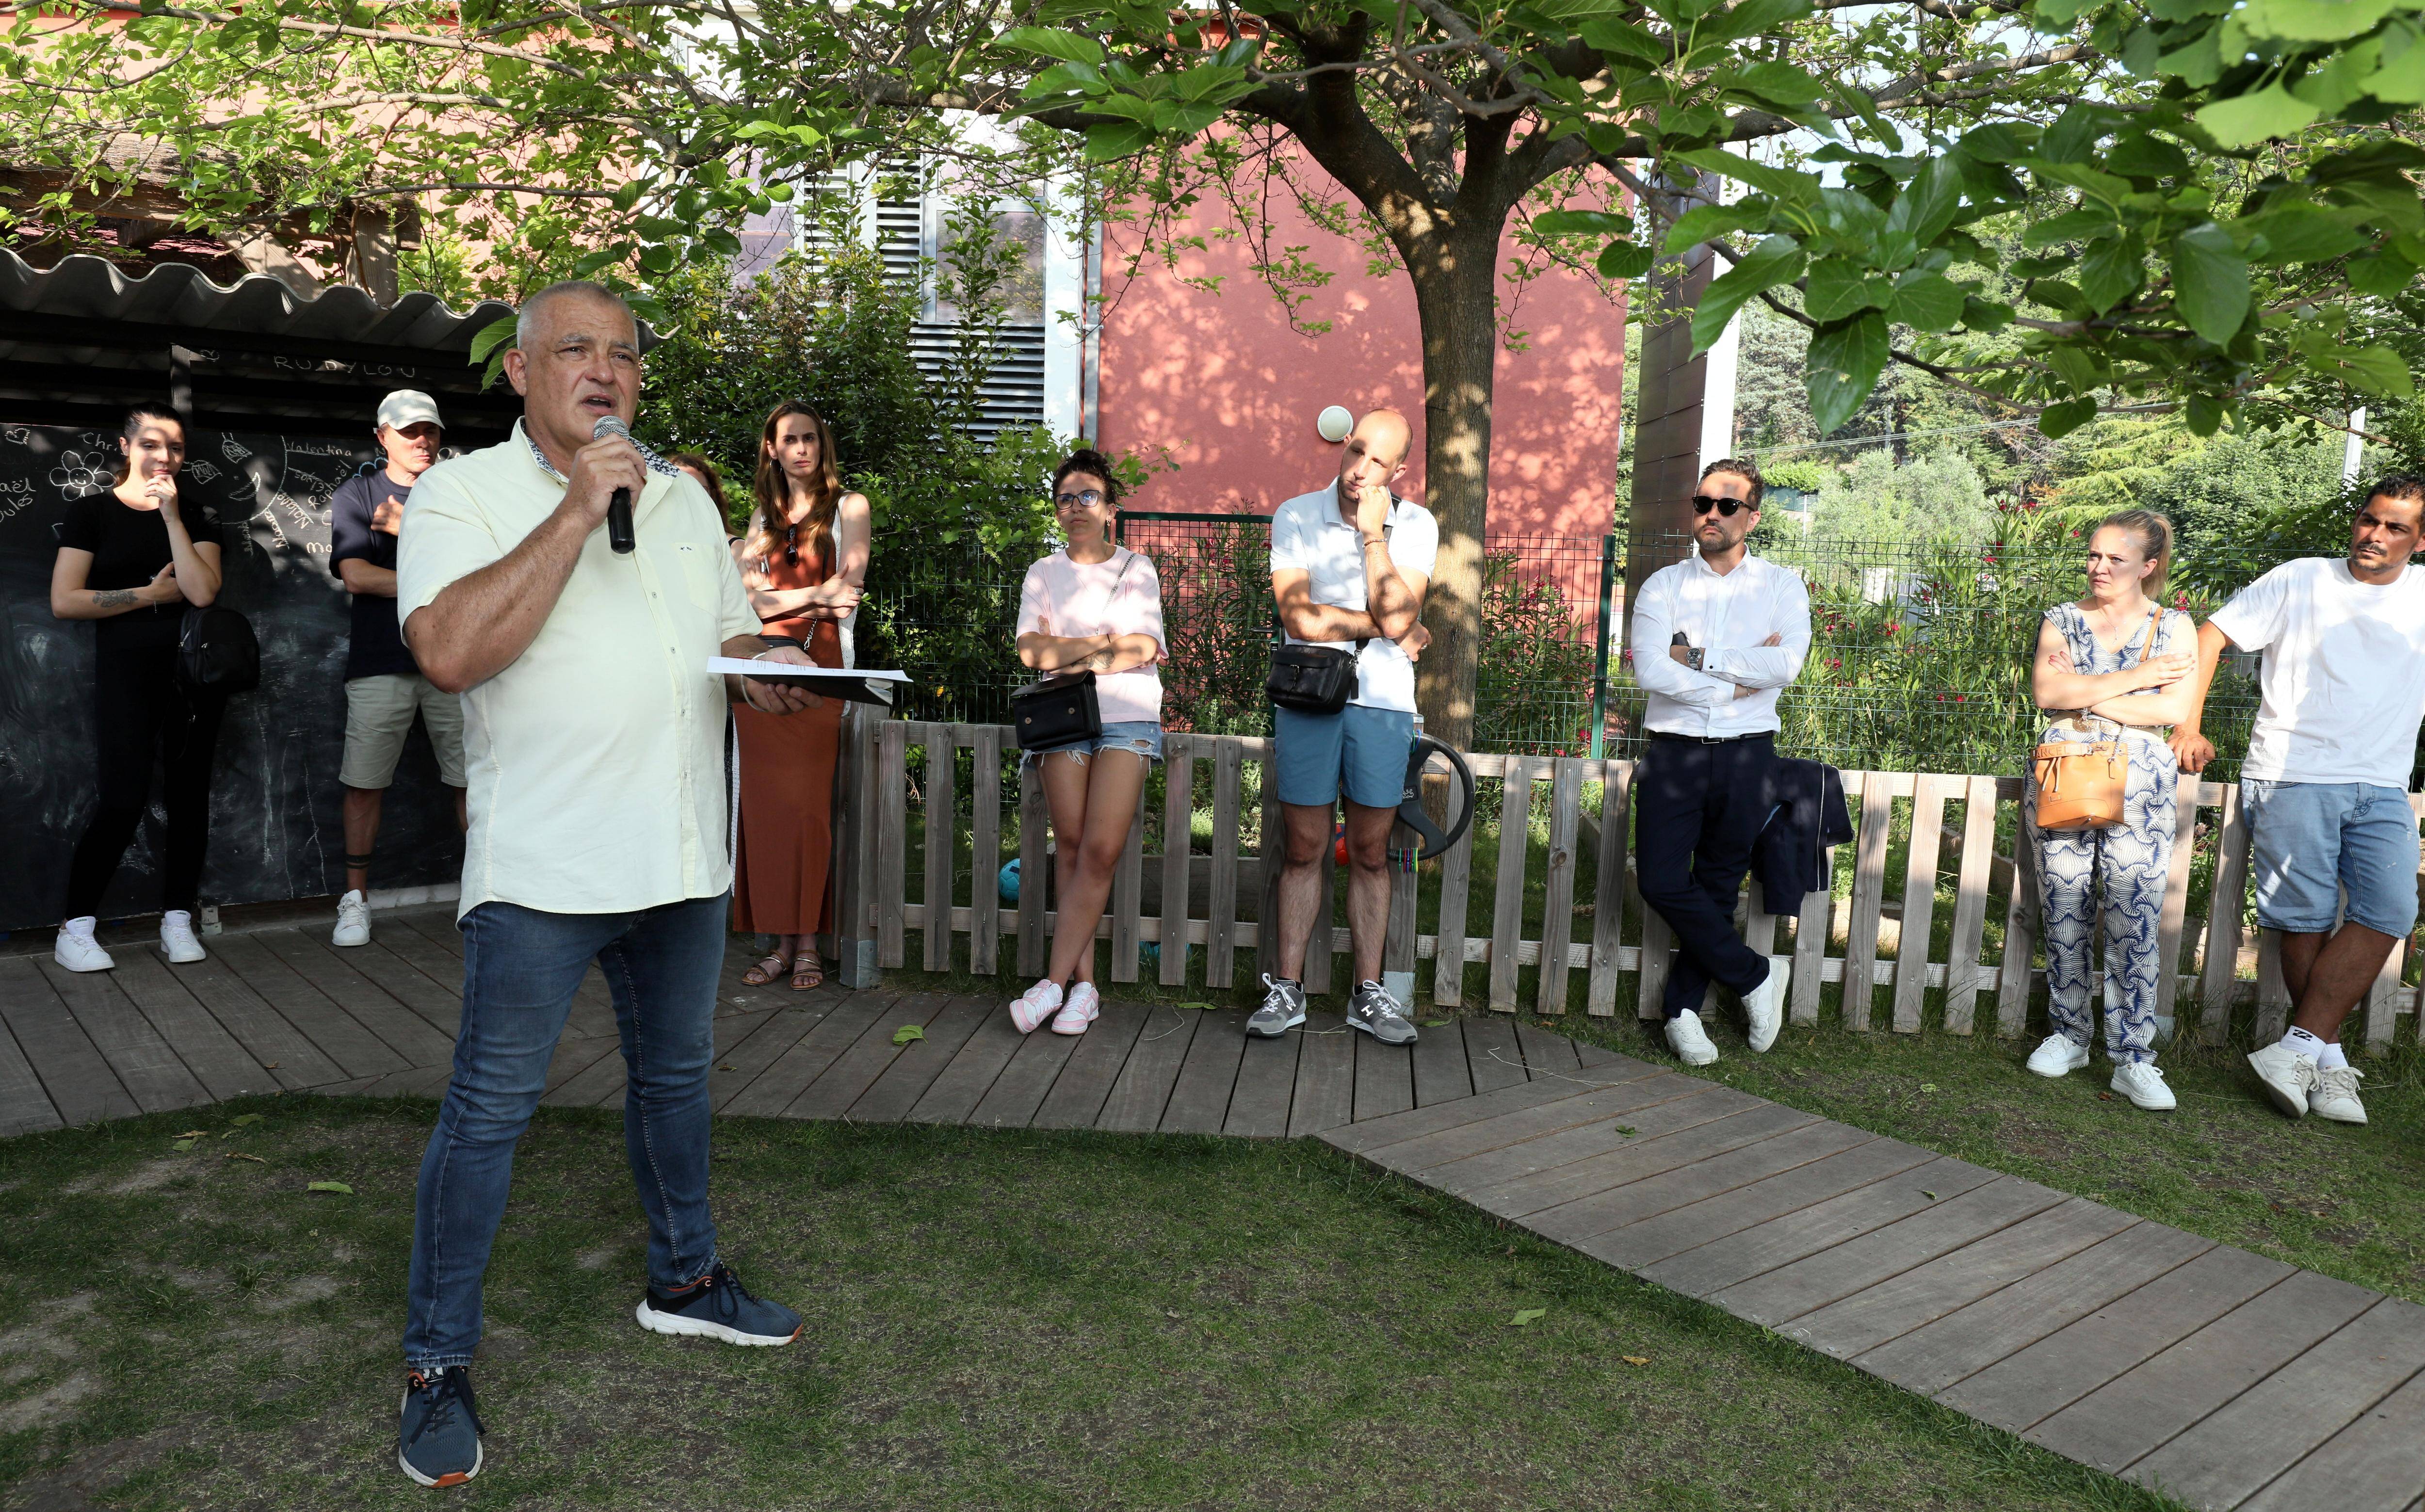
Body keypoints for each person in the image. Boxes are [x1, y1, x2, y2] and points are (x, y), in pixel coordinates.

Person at [390, 281, 823, 1488]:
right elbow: (447, 649)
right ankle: (435, 1359)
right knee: (488, 1112)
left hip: (679, 860)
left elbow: (724, 634)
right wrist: (579, 510)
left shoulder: (681, 499)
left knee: (677, 1082)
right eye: (574, 349)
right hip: (542, 867)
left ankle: (684, 1279)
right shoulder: (461, 492)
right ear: (521, 372)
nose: (605, 370)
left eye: (623, 354)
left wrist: (769, 665)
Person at [2172, 474, 2425, 1127]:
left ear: (2420, 539)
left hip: (2385, 782)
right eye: (2370, 520)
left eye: (2396, 527)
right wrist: (2187, 724)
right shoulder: (2301, 579)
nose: (2375, 535)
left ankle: (2298, 1047)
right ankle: (2328, 1062)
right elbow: (2211, 635)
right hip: (2293, 772)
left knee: (2393, 909)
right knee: (2306, 917)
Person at [1248, 409, 1436, 1046]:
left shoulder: (1417, 526)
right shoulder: (1296, 514)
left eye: (1378, 461)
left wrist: (1374, 537)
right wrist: (1388, 625)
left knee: (1371, 851)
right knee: (1302, 846)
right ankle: (1288, 989)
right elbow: (1299, 618)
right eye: (1356, 450)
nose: (1361, 469)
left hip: (1382, 704)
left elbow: (1400, 606)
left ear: (1399, 469)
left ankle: (1368, 994)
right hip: (1308, 693)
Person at [1627, 458, 1807, 1065]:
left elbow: (1784, 667)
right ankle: (1755, 975)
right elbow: (1650, 669)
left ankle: (1680, 1012)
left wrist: (1697, 658)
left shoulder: (1781, 586)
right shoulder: (1663, 586)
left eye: (1726, 506)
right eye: (1702, 503)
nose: (1709, 514)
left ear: (1751, 517)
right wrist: (1735, 678)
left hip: (1746, 754)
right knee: (1658, 878)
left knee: (1718, 883)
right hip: (1673, 751)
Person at [2022, 510, 2198, 1111]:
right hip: (2067, 775)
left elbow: (2172, 708)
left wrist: (2092, 691)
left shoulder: (2174, 626)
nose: (2097, 568)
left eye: (2113, 560)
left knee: (2133, 915)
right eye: (2092, 556)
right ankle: (2068, 1035)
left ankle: (2131, 1057)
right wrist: (2138, 679)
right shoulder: (2061, 620)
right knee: (2064, 905)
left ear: (2147, 566)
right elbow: (2048, 694)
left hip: (2142, 788)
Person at [48, 403, 226, 973]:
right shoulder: (92, 513)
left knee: (188, 798)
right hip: (125, 672)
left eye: (175, 448)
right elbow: (65, 600)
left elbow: (201, 593)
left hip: (194, 678)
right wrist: (148, 595)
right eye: (152, 444)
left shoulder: (197, 515)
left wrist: (173, 520)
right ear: (126, 446)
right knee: (122, 797)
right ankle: (75, 928)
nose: (165, 457)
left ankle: (178, 918)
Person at [1008, 450, 1166, 1035]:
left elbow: (1143, 649)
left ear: (1110, 510)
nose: (1075, 507)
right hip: (1063, 717)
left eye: (1087, 497)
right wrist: (1101, 644)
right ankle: (1084, 989)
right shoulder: (1041, 572)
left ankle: (1051, 983)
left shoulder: (1137, 567)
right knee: (1070, 845)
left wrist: (1069, 648)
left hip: (1127, 718)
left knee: (1099, 850)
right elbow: (1031, 652)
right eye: (1065, 497)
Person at [729, 403, 869, 992]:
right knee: (765, 811)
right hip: (759, 671)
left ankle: (807, 942)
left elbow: (851, 593)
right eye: (790, 439)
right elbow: (747, 605)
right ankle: (780, 945)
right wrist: (815, 596)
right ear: (772, 449)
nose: (802, 449)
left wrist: (785, 599)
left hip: (822, 671)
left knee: (809, 810)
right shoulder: (760, 518)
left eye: (811, 438)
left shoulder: (849, 507)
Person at [328, 391, 469, 948]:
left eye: (430, 430)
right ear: (381, 435)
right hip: (380, 661)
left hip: (454, 660)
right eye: (410, 431)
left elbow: (486, 566)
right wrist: (439, 579)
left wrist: (404, 527)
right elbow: (358, 577)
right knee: (364, 782)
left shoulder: (459, 492)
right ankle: (355, 901)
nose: (422, 441)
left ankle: (484, 893)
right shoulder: (357, 493)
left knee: (471, 779)